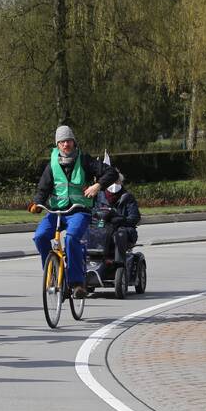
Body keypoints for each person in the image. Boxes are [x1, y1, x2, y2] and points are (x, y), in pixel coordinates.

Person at [28, 125, 118, 298]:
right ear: (57, 145)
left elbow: (111, 173)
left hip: (79, 210)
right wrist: (38, 204)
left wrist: (97, 186)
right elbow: (43, 188)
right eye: (61, 142)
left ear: (74, 142)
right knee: (40, 236)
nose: (65, 145)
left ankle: (77, 284)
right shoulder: (52, 164)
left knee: (71, 239)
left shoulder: (84, 159)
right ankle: (52, 272)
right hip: (56, 211)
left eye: (68, 141)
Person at [92, 174, 141, 264]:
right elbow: (92, 213)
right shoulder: (98, 197)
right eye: (111, 181)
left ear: (121, 182)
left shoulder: (127, 197)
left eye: (116, 181)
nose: (113, 184)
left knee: (120, 234)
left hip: (123, 230)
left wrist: (120, 220)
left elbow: (135, 217)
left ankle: (119, 264)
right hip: (102, 228)